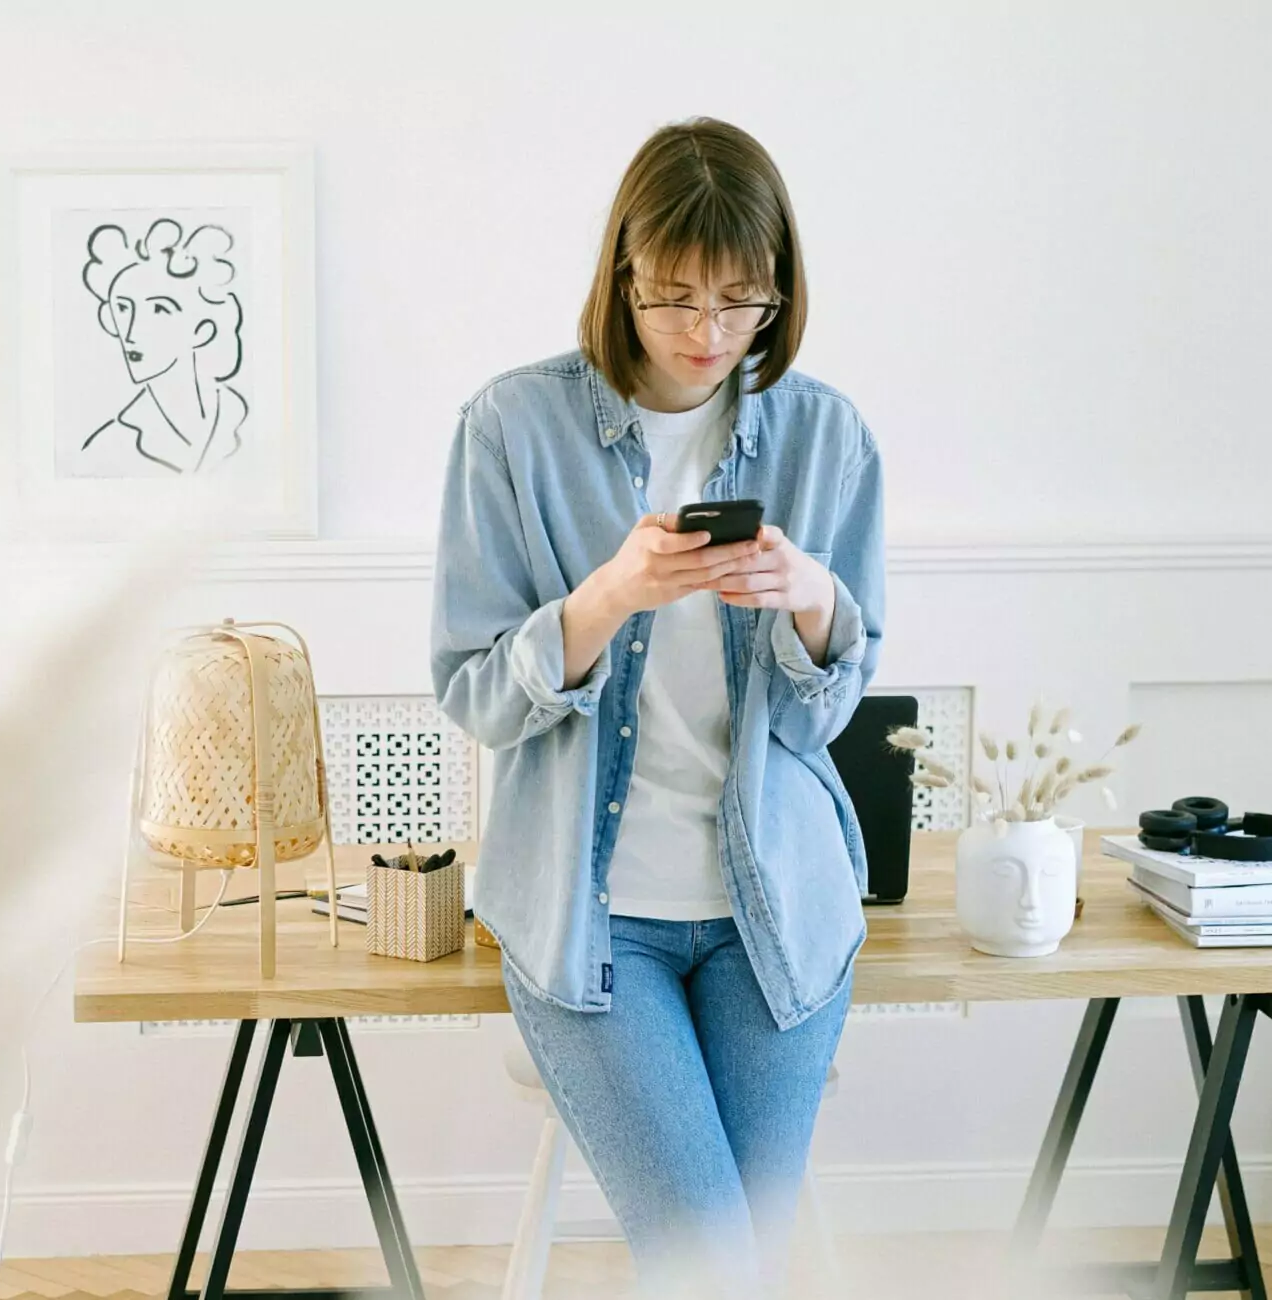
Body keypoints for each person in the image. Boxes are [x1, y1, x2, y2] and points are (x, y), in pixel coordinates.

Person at [429, 118, 886, 1295]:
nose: (704, 336)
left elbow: (825, 710)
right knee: (713, 1266)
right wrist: (605, 597)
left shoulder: (825, 438)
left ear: (777, 293)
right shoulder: (510, 430)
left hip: (771, 914)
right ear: (619, 276)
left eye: (740, 304)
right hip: (593, 926)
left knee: (740, 1265)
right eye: (672, 298)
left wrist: (812, 601)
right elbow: (474, 690)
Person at [78, 218, 250, 476]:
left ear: (202, 330)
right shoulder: (107, 448)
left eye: (159, 309)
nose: (132, 332)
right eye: (123, 308)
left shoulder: (246, 420)